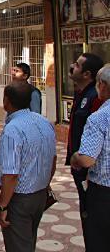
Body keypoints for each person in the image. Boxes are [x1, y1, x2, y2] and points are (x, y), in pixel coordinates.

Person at [0, 82, 57, 252]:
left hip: (20, 199)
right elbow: (53, 159)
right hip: (40, 194)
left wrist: (3, 206)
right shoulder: (44, 122)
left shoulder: (12, 130)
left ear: (6, 101)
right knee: (28, 242)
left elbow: (11, 174)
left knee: (19, 246)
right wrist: (46, 184)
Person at [70, 64, 110, 251]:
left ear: (102, 85)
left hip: (103, 194)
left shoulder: (100, 117)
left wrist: (75, 157)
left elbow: (87, 159)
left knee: (99, 241)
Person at [64, 53, 104, 231]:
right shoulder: (80, 93)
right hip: (79, 165)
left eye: (78, 65)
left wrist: (86, 166)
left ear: (87, 74)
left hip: (90, 168)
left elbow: (98, 138)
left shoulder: (95, 98)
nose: (72, 66)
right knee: (85, 210)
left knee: (93, 215)